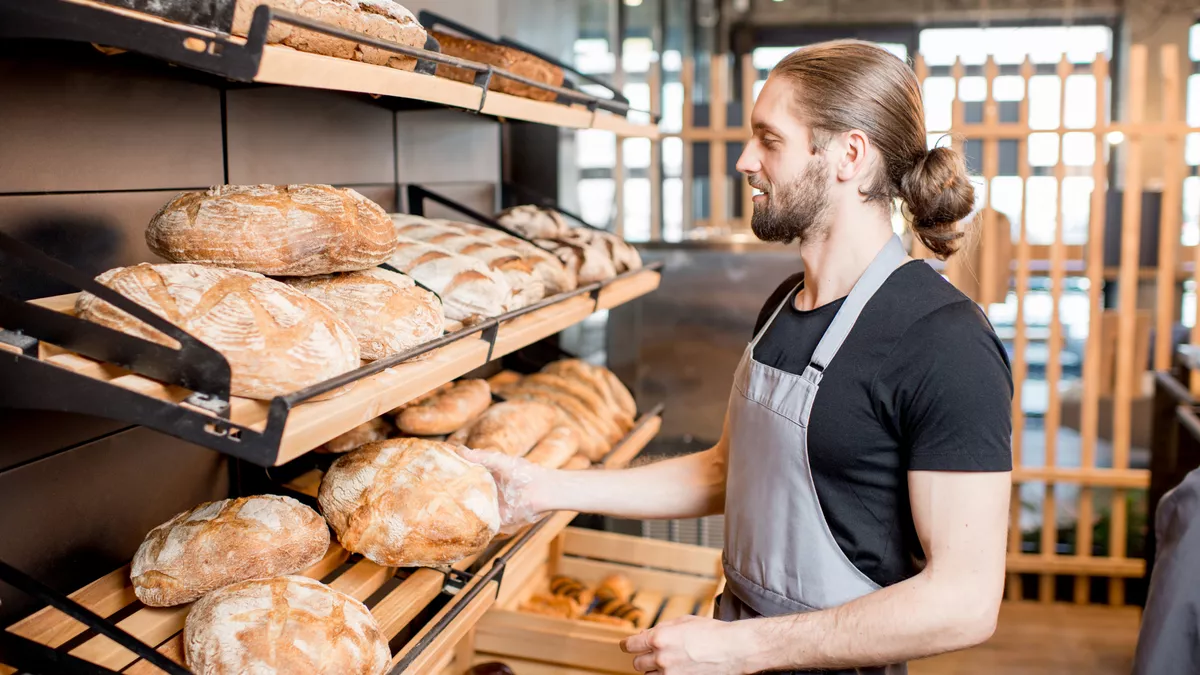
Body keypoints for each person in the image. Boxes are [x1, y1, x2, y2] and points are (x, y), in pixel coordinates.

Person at [461, 40, 1014, 675]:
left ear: (849, 156)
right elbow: (728, 471)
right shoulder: (784, 304)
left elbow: (966, 602)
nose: (745, 160)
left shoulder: (943, 339)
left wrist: (741, 648)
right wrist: (547, 488)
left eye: (768, 140)